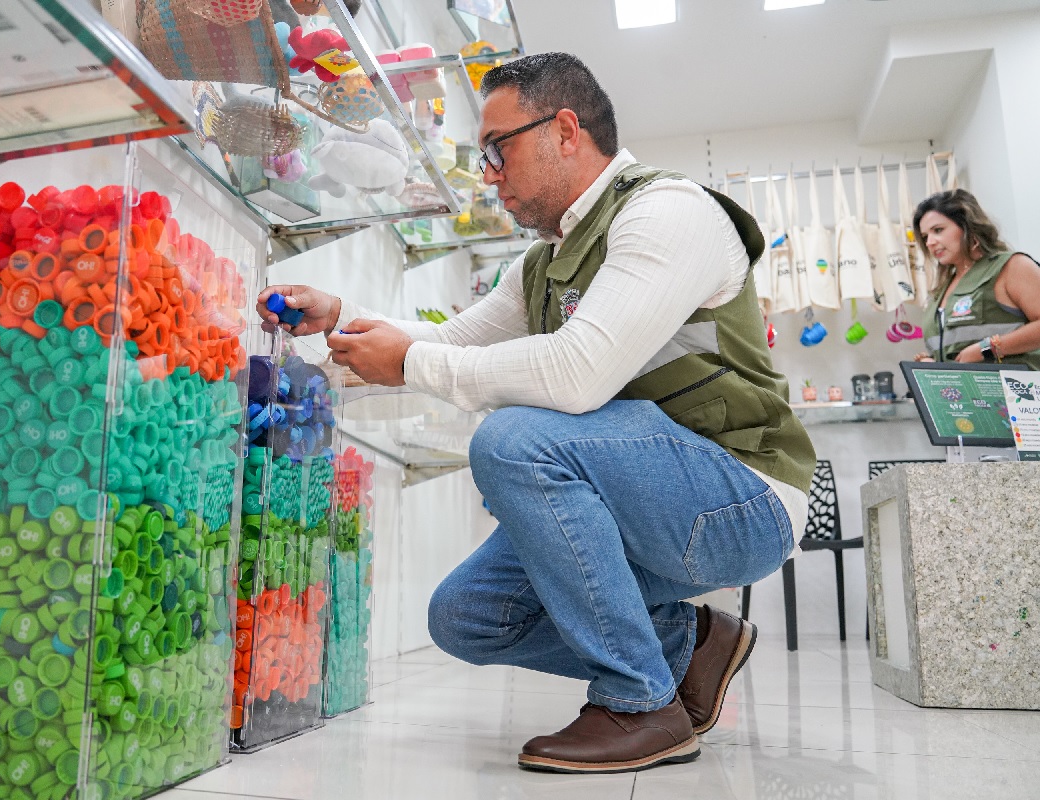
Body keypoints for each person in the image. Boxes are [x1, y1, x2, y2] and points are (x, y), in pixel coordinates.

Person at [257, 53, 814, 774]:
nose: (488, 173)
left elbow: (577, 373)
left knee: (517, 439)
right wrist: (344, 323)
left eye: (498, 148)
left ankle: (641, 702)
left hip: (741, 499)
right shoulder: (541, 266)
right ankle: (690, 645)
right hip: (646, 500)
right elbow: (447, 344)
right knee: (466, 617)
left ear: (566, 130)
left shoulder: (667, 212)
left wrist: (408, 361)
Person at [913, 189, 1040, 368]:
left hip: (1013, 392)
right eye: (925, 237)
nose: (930, 242)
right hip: (962, 394)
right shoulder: (941, 291)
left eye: (938, 230)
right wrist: (932, 364)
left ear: (967, 226)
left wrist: (987, 349)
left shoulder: (1011, 266)